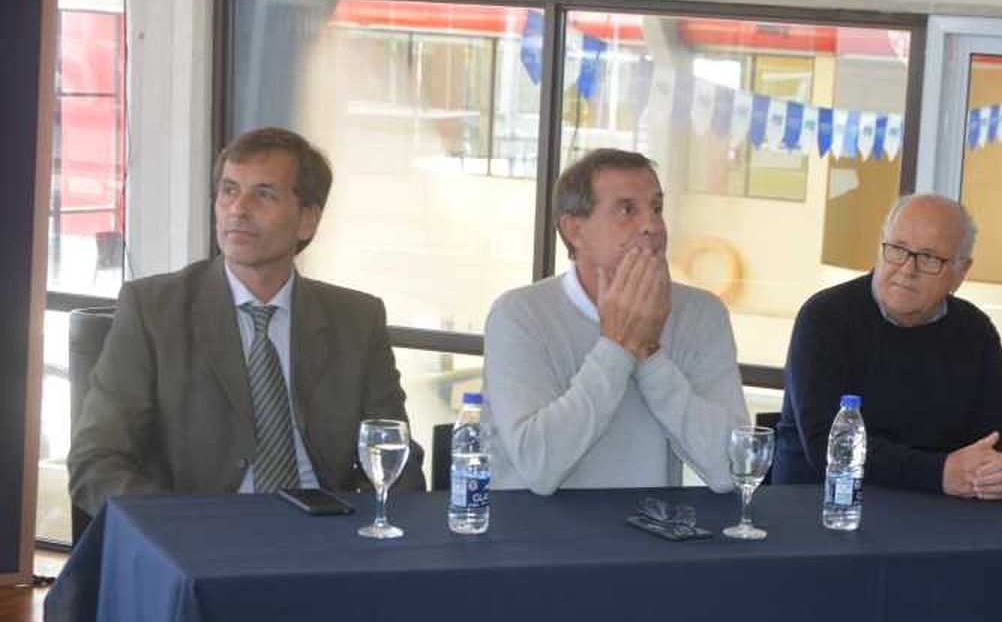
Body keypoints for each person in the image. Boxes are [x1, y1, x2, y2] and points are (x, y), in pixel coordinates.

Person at [68, 126, 422, 517]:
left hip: (326, 534)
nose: (238, 208)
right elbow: (96, 463)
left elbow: (397, 456)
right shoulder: (153, 310)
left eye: (264, 194)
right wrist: (174, 527)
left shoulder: (356, 319)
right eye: (229, 190)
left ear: (307, 220)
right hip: (198, 537)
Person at [483, 149, 748, 494]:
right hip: (534, 538)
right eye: (627, 210)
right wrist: (616, 346)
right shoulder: (518, 315)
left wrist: (650, 355)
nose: (652, 226)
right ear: (574, 230)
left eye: (656, 208)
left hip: (652, 538)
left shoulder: (703, 314)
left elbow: (733, 466)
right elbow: (538, 464)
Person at [772, 193, 1002, 499]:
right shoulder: (825, 318)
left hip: (938, 514)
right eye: (897, 249)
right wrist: (938, 473)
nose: (908, 269)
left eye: (929, 258)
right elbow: (826, 444)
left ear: (960, 273)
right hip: (822, 506)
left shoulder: (974, 330)